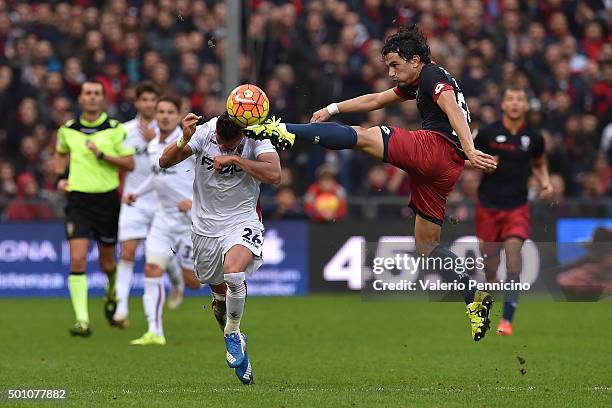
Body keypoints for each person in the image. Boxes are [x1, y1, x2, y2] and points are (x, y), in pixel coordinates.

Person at [243, 25, 498, 341]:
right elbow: (377, 99)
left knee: (363, 137)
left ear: (416, 60)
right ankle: (473, 295)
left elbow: (449, 106)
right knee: (426, 244)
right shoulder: (421, 79)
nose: (391, 72)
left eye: (395, 65)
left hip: (436, 148)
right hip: (447, 167)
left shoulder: (432, 76)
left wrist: (470, 147)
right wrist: (333, 108)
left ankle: (283, 131)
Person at [159, 111, 281, 384]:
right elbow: (163, 162)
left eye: (231, 144)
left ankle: (232, 333)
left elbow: (275, 175)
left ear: (242, 135)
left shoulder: (258, 137)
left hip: (242, 219)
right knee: (219, 300)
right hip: (205, 228)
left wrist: (236, 158)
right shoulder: (204, 132)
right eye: (221, 144)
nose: (224, 148)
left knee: (234, 273)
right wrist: (183, 140)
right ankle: (235, 334)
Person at [52, 80, 135, 337]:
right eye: (87, 93)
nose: (92, 97)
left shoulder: (114, 129)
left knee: (107, 262)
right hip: (78, 200)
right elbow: (59, 153)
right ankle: (82, 320)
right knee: (77, 259)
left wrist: (103, 156)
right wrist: (60, 178)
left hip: (107, 200)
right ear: (81, 99)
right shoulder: (68, 130)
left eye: (96, 93)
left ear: (103, 99)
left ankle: (111, 292)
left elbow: (129, 163)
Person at [123, 96, 202, 345]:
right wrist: (138, 192)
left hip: (190, 220)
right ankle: (154, 332)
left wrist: (195, 201)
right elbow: (157, 176)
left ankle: (179, 276)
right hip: (163, 218)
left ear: (179, 114)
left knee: (193, 283)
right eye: (161, 111)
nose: (165, 116)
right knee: (151, 268)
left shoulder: (192, 141)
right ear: (155, 115)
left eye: (170, 111)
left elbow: (206, 174)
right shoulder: (152, 145)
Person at [474, 86, 552, 336]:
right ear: (503, 105)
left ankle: (507, 319)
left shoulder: (534, 137)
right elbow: (465, 159)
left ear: (526, 106)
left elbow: (539, 163)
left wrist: (545, 181)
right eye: (511, 99)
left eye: (520, 99)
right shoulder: (487, 133)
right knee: (490, 264)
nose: (516, 103)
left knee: (513, 256)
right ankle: (490, 286)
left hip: (517, 206)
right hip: (488, 205)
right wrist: (482, 163)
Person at [113, 82, 184, 330]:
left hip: (166, 202)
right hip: (136, 198)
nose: (150, 105)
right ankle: (121, 310)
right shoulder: (125, 130)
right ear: (137, 102)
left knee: (165, 255)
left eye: (153, 101)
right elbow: (128, 164)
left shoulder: (168, 132)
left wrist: (156, 141)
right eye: (144, 100)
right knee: (128, 252)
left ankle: (177, 283)